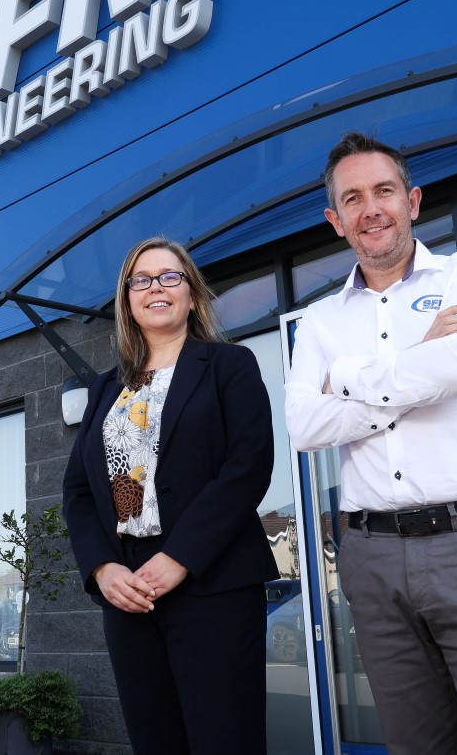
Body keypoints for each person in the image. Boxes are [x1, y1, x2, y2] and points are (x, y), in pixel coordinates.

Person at [285, 132, 457, 755]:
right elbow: (305, 426)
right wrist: (420, 358)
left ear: (412, 200)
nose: (371, 209)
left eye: (383, 191)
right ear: (335, 221)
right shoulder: (321, 322)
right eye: (352, 199)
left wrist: (353, 377)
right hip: (372, 556)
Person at [62, 237, 277, 755]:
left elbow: (248, 467)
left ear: (193, 295)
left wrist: (180, 557)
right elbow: (78, 491)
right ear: (127, 299)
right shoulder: (105, 389)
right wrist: (102, 569)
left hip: (212, 582)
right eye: (141, 279)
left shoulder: (230, 365)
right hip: (128, 591)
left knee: (225, 739)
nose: (155, 287)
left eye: (169, 276)